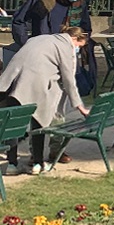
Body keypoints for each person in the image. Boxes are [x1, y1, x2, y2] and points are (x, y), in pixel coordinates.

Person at [0, 28, 91, 175]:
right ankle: (37, 163)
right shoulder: (65, 47)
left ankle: (11, 164)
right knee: (39, 122)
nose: (77, 50)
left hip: (11, 81)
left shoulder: (39, 38)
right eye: (79, 46)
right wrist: (80, 106)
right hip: (36, 85)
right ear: (74, 39)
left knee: (13, 126)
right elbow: (68, 79)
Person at [10, 0, 97, 104]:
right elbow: (18, 21)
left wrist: (80, 44)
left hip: (68, 56)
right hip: (43, 58)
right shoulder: (43, 0)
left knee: (71, 94)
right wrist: (27, 44)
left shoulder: (79, 5)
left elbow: (86, 29)